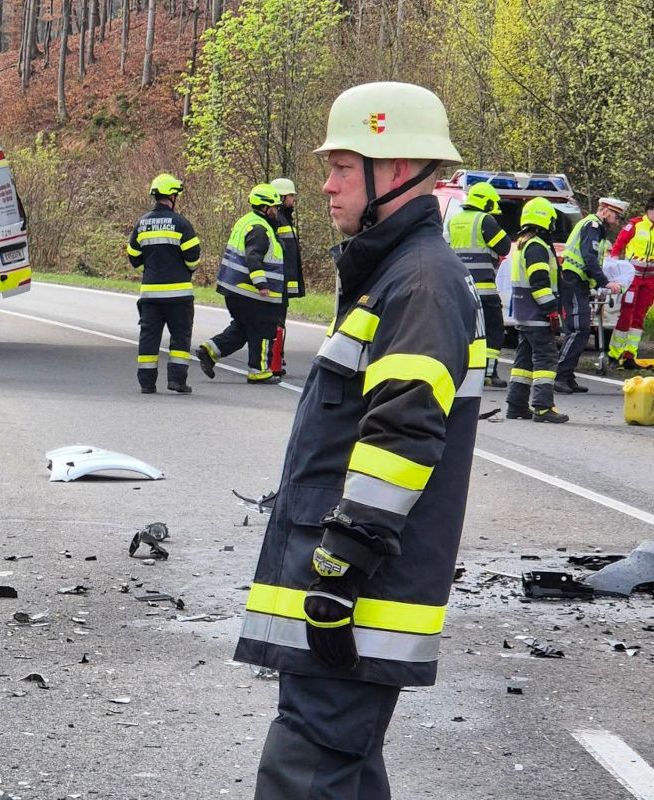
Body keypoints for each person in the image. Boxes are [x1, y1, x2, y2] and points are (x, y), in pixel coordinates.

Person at [234, 82, 484, 800]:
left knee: (306, 774)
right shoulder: (397, 275)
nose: (324, 183)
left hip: (355, 597)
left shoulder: (421, 285)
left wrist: (340, 569)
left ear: (397, 168)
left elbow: (404, 433)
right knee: (340, 771)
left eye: (342, 166)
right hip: (351, 595)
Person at [196, 183, 284, 385]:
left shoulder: (246, 221)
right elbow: (254, 257)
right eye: (275, 207)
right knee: (263, 328)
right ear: (265, 207)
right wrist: (261, 284)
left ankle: (210, 351)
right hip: (251, 292)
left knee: (244, 328)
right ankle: (259, 370)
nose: (276, 210)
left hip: (235, 290)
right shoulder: (261, 229)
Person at [126, 173, 201, 393]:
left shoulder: (142, 223)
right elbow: (193, 256)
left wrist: (149, 271)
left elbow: (133, 256)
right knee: (180, 337)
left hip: (150, 295)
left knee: (149, 338)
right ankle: (177, 381)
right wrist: (187, 269)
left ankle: (147, 383)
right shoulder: (181, 223)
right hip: (179, 295)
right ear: (171, 196)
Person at [504, 197, 567, 422]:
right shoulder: (537, 246)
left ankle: (516, 406)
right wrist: (551, 309)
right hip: (537, 314)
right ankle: (542, 407)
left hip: (523, 314)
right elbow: (539, 282)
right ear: (545, 220)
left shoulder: (522, 244)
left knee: (523, 362)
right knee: (546, 360)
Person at [554, 197, 626, 392]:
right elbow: (589, 258)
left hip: (578, 281)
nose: (618, 221)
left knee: (578, 328)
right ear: (604, 211)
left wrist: (597, 285)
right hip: (573, 280)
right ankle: (560, 375)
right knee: (579, 329)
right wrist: (605, 283)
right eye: (616, 216)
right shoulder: (592, 226)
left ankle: (567, 376)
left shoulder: (596, 229)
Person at [446, 181, 512, 387]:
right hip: (484, 290)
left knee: (463, 332)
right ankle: (489, 373)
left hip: (459, 289)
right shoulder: (485, 220)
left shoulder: (453, 221)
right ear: (486, 202)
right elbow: (505, 247)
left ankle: (460, 371)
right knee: (493, 331)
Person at [607, 195, 654, 368]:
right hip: (632, 277)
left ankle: (629, 356)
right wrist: (613, 267)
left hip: (650, 279)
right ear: (649, 210)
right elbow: (618, 245)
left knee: (640, 316)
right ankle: (614, 355)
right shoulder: (634, 225)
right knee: (627, 313)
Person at [269, 177, 305, 377]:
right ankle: (273, 359)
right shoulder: (278, 221)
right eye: (291, 195)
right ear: (282, 197)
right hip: (279, 281)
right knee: (277, 321)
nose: (293, 199)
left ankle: (276, 358)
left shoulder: (285, 219)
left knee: (279, 320)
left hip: (283, 281)